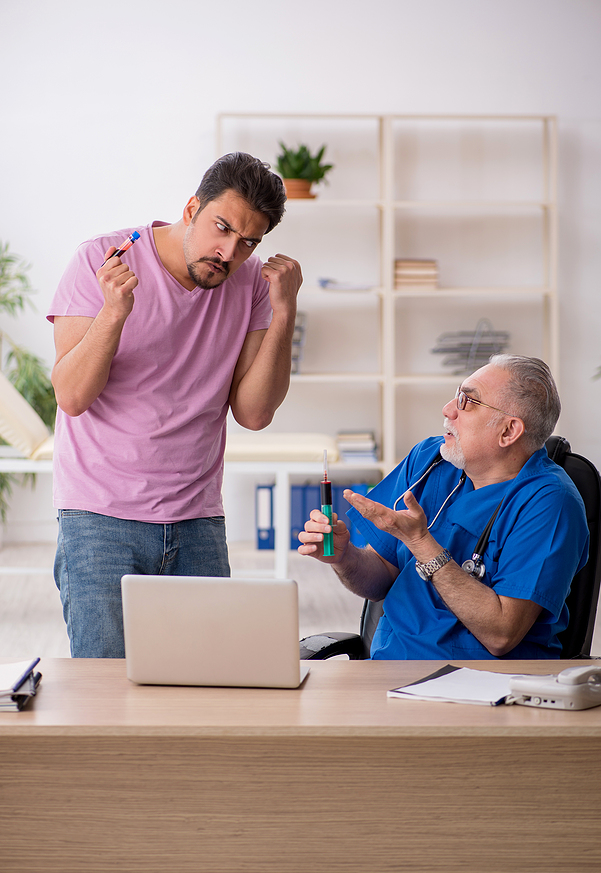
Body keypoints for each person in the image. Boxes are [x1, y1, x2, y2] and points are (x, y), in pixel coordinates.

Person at [48, 152, 302, 658]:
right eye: (221, 228)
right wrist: (114, 313)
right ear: (191, 208)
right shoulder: (101, 260)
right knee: (105, 693)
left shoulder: (251, 283)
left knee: (207, 687)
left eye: (248, 241)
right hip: (99, 517)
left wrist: (284, 311)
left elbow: (254, 413)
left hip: (197, 519)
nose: (229, 252)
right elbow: (73, 396)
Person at [298, 355, 589, 660]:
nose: (448, 409)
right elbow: (381, 577)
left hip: (486, 686)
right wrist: (344, 557)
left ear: (508, 431)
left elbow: (501, 634)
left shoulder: (550, 502)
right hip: (387, 672)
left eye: (468, 402)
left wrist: (422, 543)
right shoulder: (430, 460)